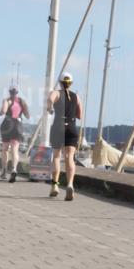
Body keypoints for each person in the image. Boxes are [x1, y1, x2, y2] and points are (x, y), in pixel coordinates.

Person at [47, 72, 83, 200]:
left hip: (58, 126)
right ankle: (70, 184)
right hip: (72, 127)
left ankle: (55, 185)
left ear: (60, 82)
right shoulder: (76, 97)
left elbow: (50, 101)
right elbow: (80, 115)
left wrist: (50, 108)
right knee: (69, 157)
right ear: (71, 83)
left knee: (56, 156)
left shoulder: (56, 93)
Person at [0, 86, 29, 181]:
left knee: (5, 149)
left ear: (9, 92)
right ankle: (14, 169)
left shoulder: (7, 100)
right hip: (18, 126)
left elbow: (3, 111)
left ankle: (4, 170)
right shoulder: (22, 101)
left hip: (7, 125)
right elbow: (27, 116)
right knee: (15, 149)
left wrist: (0, 112)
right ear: (17, 92)